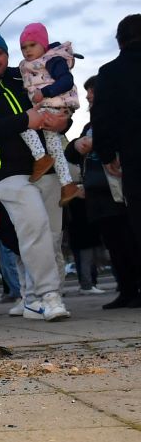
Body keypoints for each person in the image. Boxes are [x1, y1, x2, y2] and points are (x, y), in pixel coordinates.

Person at [0, 29, 71, 322]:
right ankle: (48, 295)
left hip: (46, 166)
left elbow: (56, 102)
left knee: (52, 236)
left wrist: (63, 122)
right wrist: (23, 120)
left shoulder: (27, 74)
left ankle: (32, 298)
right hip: (6, 173)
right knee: (34, 224)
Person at [67, 75, 141, 308]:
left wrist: (97, 142)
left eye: (92, 91)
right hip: (98, 197)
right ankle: (126, 290)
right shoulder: (89, 126)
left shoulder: (122, 117)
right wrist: (76, 144)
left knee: (130, 242)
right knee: (114, 246)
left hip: (120, 192)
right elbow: (71, 153)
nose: (88, 96)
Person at [90, 14, 141, 261]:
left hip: (134, 158)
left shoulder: (110, 73)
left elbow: (102, 116)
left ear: (119, 41)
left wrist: (107, 153)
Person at [16, 22, 80, 206]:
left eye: (32, 45)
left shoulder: (52, 59)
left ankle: (40, 157)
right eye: (23, 47)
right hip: (47, 107)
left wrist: (45, 92)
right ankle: (67, 185)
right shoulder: (28, 65)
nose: (27, 51)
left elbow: (67, 80)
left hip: (53, 105)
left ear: (43, 44)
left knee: (23, 123)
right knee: (55, 148)